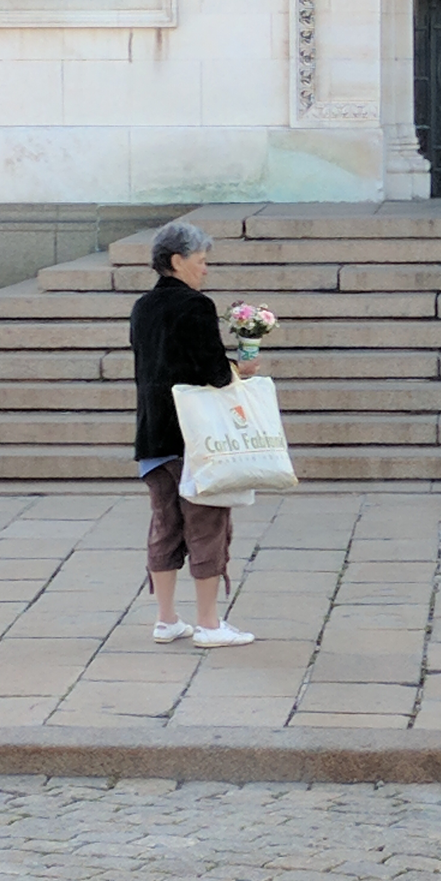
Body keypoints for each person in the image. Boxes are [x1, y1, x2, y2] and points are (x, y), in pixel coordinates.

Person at [130, 220, 257, 648]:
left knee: (165, 526)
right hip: (196, 439)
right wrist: (242, 368)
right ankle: (208, 623)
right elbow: (214, 373)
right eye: (201, 261)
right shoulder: (196, 306)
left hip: (153, 436)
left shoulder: (142, 307)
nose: (206, 269)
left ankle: (166, 620)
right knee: (207, 527)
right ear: (177, 260)